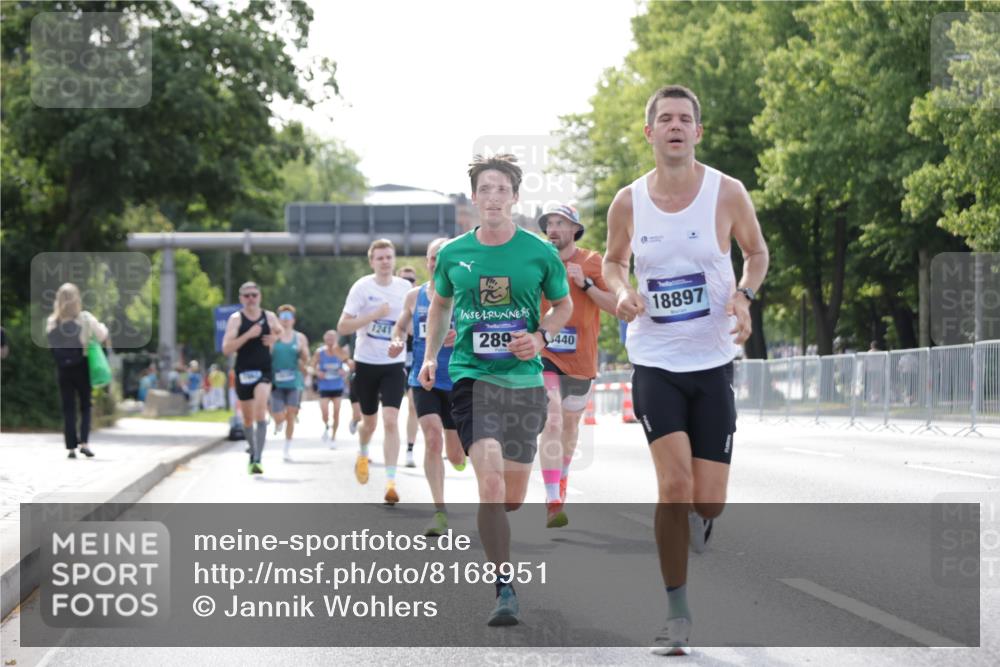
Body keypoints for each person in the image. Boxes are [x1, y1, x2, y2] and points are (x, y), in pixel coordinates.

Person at [603, 85, 769, 655]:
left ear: (698, 131)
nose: (675, 126)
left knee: (708, 501)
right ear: (649, 132)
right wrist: (622, 291)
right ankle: (677, 614)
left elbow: (757, 252)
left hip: (713, 359)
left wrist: (744, 296)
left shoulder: (728, 192)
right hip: (654, 359)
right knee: (673, 487)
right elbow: (612, 259)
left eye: (685, 119)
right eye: (665, 119)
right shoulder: (628, 201)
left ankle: (704, 518)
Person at [420, 154, 572, 626]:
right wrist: (429, 356)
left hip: (524, 381)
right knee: (487, 485)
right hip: (471, 377)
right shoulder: (452, 254)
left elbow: (563, 306)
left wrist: (541, 336)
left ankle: (501, 527)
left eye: (501, 189)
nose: (492, 197)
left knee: (510, 497)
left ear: (515, 197)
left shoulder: (539, 252)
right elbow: (439, 305)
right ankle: (505, 586)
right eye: (484, 189)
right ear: (473, 197)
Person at [536, 203, 618, 528]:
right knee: (552, 421)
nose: (554, 228)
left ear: (575, 229)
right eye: (549, 223)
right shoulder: (538, 260)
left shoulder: (592, 261)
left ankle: (563, 473)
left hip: (582, 359)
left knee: (570, 427)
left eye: (561, 223)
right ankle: (553, 499)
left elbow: (616, 306)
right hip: (546, 353)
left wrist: (587, 284)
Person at [390, 238, 466, 537]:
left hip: (459, 378)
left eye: (444, 256)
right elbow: (399, 326)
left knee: (457, 454)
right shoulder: (414, 296)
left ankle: (459, 457)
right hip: (425, 378)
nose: (437, 261)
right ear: (427, 261)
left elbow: (480, 328)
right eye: (434, 257)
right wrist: (397, 339)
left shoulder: (465, 293)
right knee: (432, 440)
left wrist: (459, 333)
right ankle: (440, 512)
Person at [337, 239, 412, 504]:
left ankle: (391, 482)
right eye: (379, 258)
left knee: (391, 421)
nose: (384, 261)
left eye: (388, 257)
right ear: (372, 261)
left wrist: (399, 339)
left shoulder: (405, 289)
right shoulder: (362, 287)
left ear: (394, 259)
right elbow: (343, 326)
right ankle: (363, 449)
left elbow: (411, 327)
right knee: (369, 423)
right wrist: (373, 315)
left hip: (393, 365)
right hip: (366, 364)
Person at [222, 281, 283, 474]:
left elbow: (282, 333)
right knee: (247, 419)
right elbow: (226, 348)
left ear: (259, 297)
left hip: (264, 371)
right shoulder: (236, 319)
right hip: (243, 372)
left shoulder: (269, 317)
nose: (250, 299)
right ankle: (252, 451)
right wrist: (248, 334)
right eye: (246, 295)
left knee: (260, 412)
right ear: (241, 298)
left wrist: (275, 338)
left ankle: (258, 458)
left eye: (254, 295)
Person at [46, 283, 109, 459]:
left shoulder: (53, 321)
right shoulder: (85, 318)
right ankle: (85, 443)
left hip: (62, 368)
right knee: (85, 405)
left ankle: (71, 447)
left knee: (68, 407)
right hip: (82, 364)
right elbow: (102, 335)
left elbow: (51, 344)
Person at [269, 305, 309, 462]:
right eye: (283, 318)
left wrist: (303, 352)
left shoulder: (299, 337)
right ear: (278, 319)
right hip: (276, 382)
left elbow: (305, 359)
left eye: (288, 318)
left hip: (294, 381)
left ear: (293, 320)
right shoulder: (273, 336)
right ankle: (278, 422)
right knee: (279, 416)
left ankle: (286, 448)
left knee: (291, 414)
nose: (285, 321)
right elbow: (267, 356)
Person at [396, 265, 421, 468]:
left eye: (412, 279)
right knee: (388, 411)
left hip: (416, 359)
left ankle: (410, 449)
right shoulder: (390, 300)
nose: (408, 283)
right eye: (404, 279)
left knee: (413, 405)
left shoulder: (419, 298)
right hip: (391, 360)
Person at [311, 330, 350, 446]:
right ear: (324, 339)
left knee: (336, 412)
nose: (330, 341)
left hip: (337, 385)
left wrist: (344, 371)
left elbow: (349, 365)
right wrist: (318, 372)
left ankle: (333, 436)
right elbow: (311, 366)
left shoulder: (341, 351)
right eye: (328, 338)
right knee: (325, 412)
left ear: (336, 339)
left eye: (332, 338)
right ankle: (326, 425)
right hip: (324, 386)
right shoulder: (320, 352)